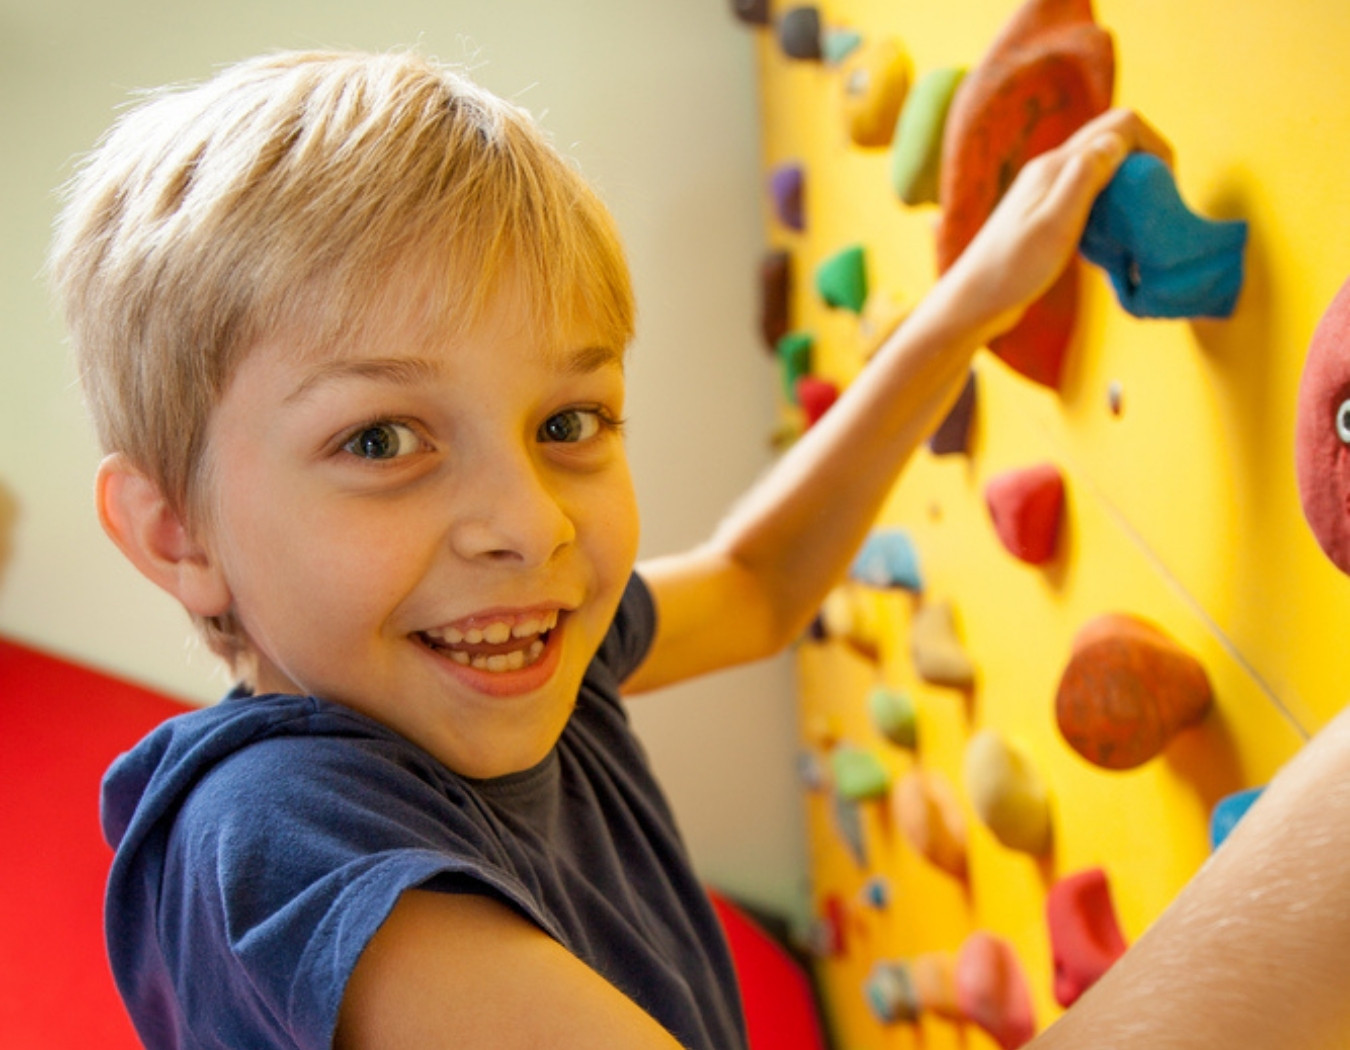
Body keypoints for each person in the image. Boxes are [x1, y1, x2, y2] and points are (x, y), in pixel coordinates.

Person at [51, 48, 1350, 1050]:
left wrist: (972, 298)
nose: (532, 525)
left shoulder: (502, 663)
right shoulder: (275, 841)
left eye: (567, 422)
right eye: (383, 440)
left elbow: (756, 584)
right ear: (176, 532)